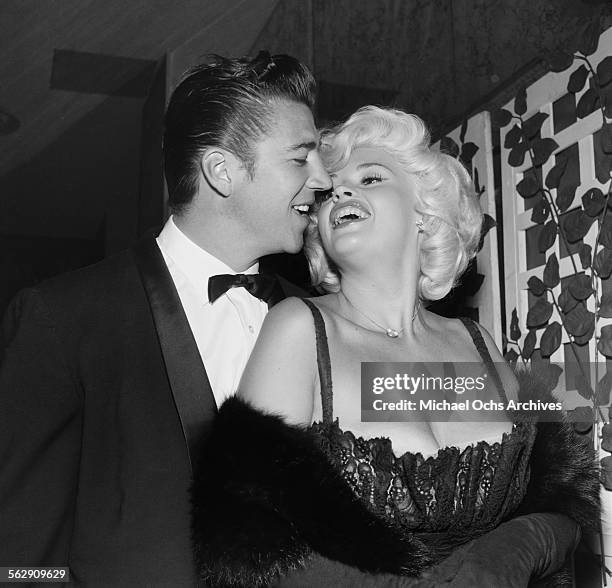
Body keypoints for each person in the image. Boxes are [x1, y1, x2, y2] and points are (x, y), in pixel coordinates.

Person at [192, 107, 599, 587]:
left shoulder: (477, 343)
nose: (340, 191)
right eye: (326, 193)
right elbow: (245, 534)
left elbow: (554, 499)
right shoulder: (300, 329)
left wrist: (522, 543)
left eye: (370, 177)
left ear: (423, 215)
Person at [0, 52, 330, 585]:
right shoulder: (64, 318)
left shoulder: (320, 320)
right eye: (301, 157)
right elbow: (17, 558)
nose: (323, 178)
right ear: (222, 171)